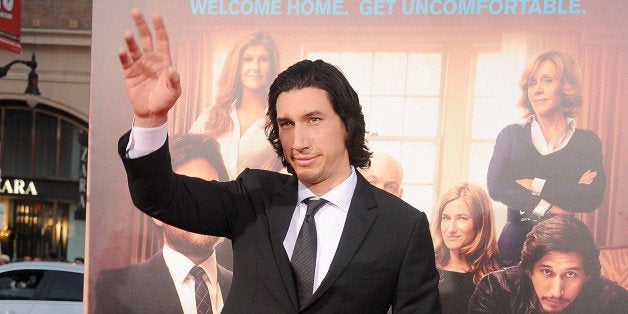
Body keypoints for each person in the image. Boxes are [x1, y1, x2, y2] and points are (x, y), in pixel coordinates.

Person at [116, 9, 440, 313]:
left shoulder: (402, 226)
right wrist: (151, 118)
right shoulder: (253, 196)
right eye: (287, 124)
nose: (298, 142)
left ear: (347, 124)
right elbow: (160, 197)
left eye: (313, 120)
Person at [487, 51, 606, 267]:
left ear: (566, 86)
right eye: (532, 83)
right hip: (516, 247)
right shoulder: (511, 135)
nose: (538, 90)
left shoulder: (587, 142)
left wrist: (534, 184)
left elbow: (591, 196)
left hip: (565, 245)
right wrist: (551, 207)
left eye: (547, 81)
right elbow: (496, 186)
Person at [96, 134, 233, 313]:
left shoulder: (246, 287)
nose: (201, 204)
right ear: (157, 213)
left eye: (211, 191)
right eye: (186, 193)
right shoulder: (120, 289)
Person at [468, 215, 627, 313]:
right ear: (529, 270)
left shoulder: (614, 301)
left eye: (570, 274)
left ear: (587, 276)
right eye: (547, 272)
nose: (557, 292)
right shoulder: (495, 290)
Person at [189, 30, 283, 179]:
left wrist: (281, 161)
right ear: (236, 65)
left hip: (259, 201)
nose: (255, 67)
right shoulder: (209, 116)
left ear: (272, 66)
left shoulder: (283, 120)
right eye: (247, 59)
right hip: (209, 200)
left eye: (263, 59)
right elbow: (186, 161)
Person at [431, 182, 501, 314]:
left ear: (481, 223)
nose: (451, 229)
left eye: (462, 218)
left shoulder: (496, 279)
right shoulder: (425, 268)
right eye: (446, 218)